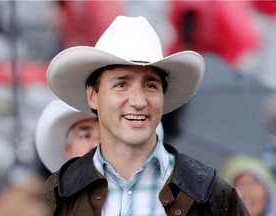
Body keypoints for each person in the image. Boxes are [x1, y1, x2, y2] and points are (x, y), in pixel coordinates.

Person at [42, 16, 248, 215]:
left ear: (163, 96)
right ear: (93, 96)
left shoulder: (211, 194)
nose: (139, 102)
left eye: (150, 86)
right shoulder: (55, 196)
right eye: (121, 85)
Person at [36, 99, 164, 173]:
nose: (96, 144)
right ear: (68, 152)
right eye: (85, 136)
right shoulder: (52, 206)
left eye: (107, 135)